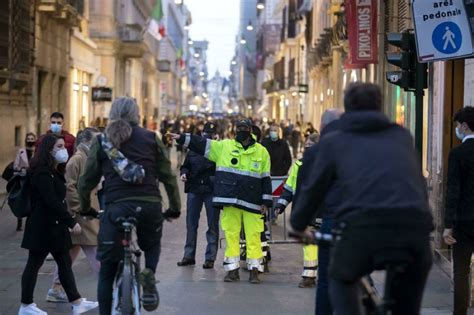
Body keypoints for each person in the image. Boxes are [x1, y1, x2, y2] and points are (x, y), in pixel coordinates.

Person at [291, 82, 433, 314]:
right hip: (414, 232)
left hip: (362, 230)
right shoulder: (401, 136)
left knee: (338, 277)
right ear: (380, 107)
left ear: (347, 109)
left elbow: (313, 189)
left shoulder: (334, 141)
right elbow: (417, 184)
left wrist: (298, 225)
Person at [78, 97, 181, 314]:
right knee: (151, 244)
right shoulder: (152, 138)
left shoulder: (101, 140)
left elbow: (86, 181)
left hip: (116, 208)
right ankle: (149, 274)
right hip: (150, 205)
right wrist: (174, 208)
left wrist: (85, 208)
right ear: (136, 115)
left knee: (106, 270)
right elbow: (168, 177)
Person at [169, 118, 273, 284]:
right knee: (231, 236)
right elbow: (202, 144)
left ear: (250, 130)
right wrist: (182, 138)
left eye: (244, 128)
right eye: (238, 128)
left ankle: (254, 271)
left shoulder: (261, 152)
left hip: (252, 203)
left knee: (253, 237)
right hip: (231, 201)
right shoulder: (224, 146)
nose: (241, 130)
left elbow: (266, 179)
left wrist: (266, 203)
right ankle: (232, 271)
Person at [19, 134, 98, 315]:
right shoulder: (41, 172)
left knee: (64, 264)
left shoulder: (54, 170)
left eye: (64, 146)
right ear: (49, 150)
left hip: (54, 227)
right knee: (34, 265)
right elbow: (52, 201)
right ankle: (26, 305)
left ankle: (76, 302)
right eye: (60, 147)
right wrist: (71, 222)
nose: (64, 150)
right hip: (42, 227)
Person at [46, 128, 101, 303]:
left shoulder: (88, 158)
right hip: (81, 215)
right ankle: (110, 290)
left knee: (69, 255)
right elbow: (70, 188)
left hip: (85, 213)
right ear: (87, 141)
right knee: (95, 251)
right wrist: (80, 208)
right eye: (96, 140)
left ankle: (55, 287)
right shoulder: (77, 160)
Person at [296, 109, 342, 314]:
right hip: (359, 222)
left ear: (322, 127)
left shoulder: (316, 151)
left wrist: (300, 221)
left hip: (331, 220)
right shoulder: (359, 147)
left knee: (325, 280)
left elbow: (307, 188)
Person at [275, 133, 320, 288]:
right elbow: (289, 188)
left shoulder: (326, 164)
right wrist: (280, 205)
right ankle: (309, 275)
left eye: (310, 146)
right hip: (308, 212)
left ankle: (317, 276)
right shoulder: (299, 165)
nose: (307, 148)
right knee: (310, 245)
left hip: (321, 212)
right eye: (306, 145)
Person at [443, 106, 474, 315]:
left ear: (464, 125)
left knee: (461, 272)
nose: (456, 129)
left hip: (464, 223)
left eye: (456, 125)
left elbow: (453, 191)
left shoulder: (457, 154)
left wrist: (448, 226)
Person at [177, 122, 219, 269]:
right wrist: (183, 173)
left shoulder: (218, 150)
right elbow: (185, 165)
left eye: (211, 134)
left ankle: (210, 258)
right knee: (191, 224)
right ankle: (189, 256)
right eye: (207, 133)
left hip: (210, 191)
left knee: (212, 225)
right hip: (194, 189)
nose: (208, 136)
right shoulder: (193, 149)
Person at [13, 132, 37, 231]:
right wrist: (21, 168)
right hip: (23, 179)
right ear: (26, 140)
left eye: (32, 139)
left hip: (34, 179)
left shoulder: (37, 151)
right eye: (28, 139)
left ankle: (31, 222)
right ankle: (19, 222)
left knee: (33, 200)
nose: (30, 140)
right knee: (22, 200)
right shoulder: (21, 151)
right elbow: (15, 165)